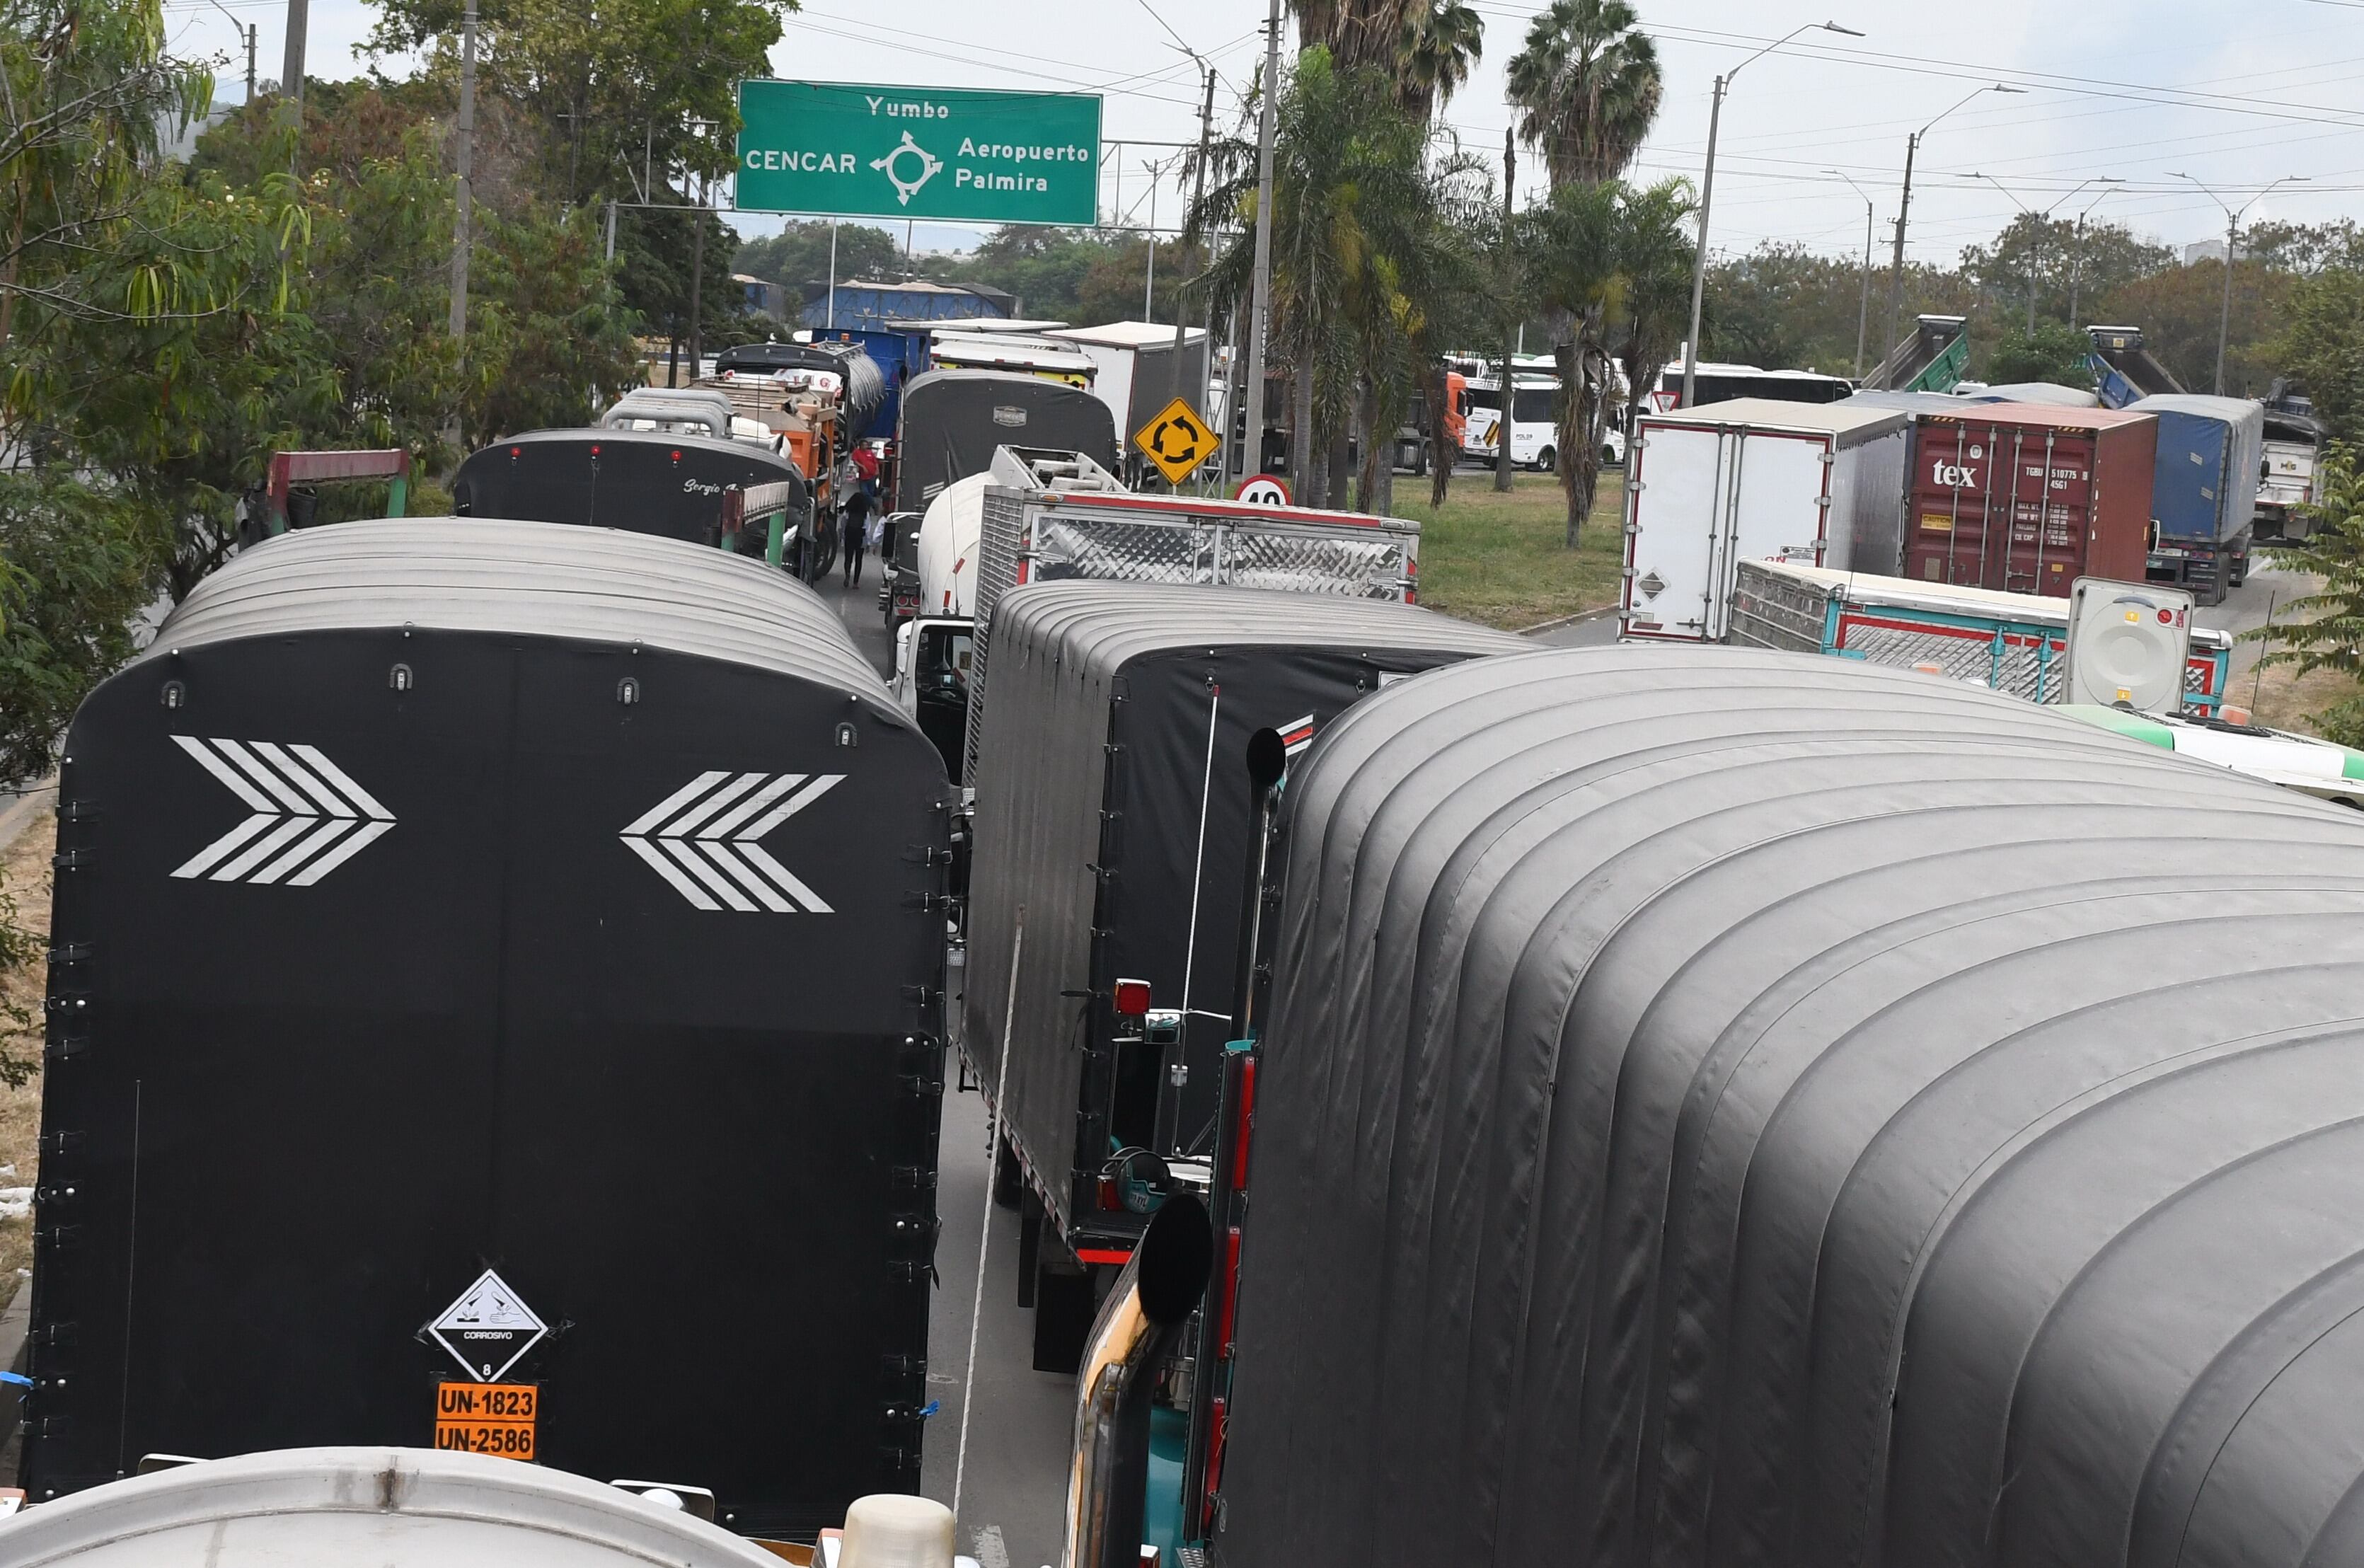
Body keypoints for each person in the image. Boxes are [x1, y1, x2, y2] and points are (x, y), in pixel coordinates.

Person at [841, 471, 875, 587]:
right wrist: (868, 543)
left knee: (848, 558)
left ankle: (847, 575)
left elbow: (843, 524)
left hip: (849, 534)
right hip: (860, 536)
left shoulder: (848, 512)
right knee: (858, 560)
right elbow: (867, 529)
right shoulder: (865, 514)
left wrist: (843, 536)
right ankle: (856, 582)